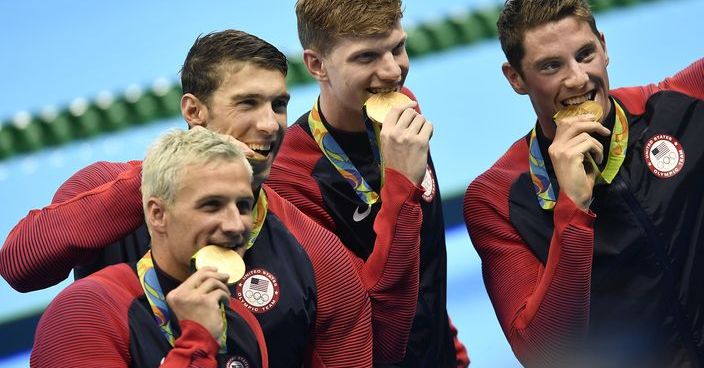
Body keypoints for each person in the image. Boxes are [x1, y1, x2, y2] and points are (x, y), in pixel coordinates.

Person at [1, 30, 377, 367]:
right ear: (194, 111)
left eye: (278, 105)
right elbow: (20, 266)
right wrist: (166, 180)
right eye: (247, 103)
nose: (269, 125)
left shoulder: (316, 254)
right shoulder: (109, 195)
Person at [462, 0, 704, 366]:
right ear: (515, 78)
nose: (577, 78)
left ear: (604, 47)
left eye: (585, 54)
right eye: (551, 66)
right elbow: (543, 354)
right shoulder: (498, 198)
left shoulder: (681, 105)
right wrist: (572, 210)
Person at [267, 0, 469, 366]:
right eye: (366, 57)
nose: (393, 71)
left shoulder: (401, 111)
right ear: (316, 65)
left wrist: (452, 351)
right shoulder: (291, 180)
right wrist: (401, 187)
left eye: (398, 48)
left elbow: (424, 267)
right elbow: (375, 318)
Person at [31, 127, 268, 367]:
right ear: (157, 214)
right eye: (211, 205)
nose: (235, 225)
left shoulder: (242, 321)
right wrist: (197, 342)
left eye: (243, 206)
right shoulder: (84, 312)